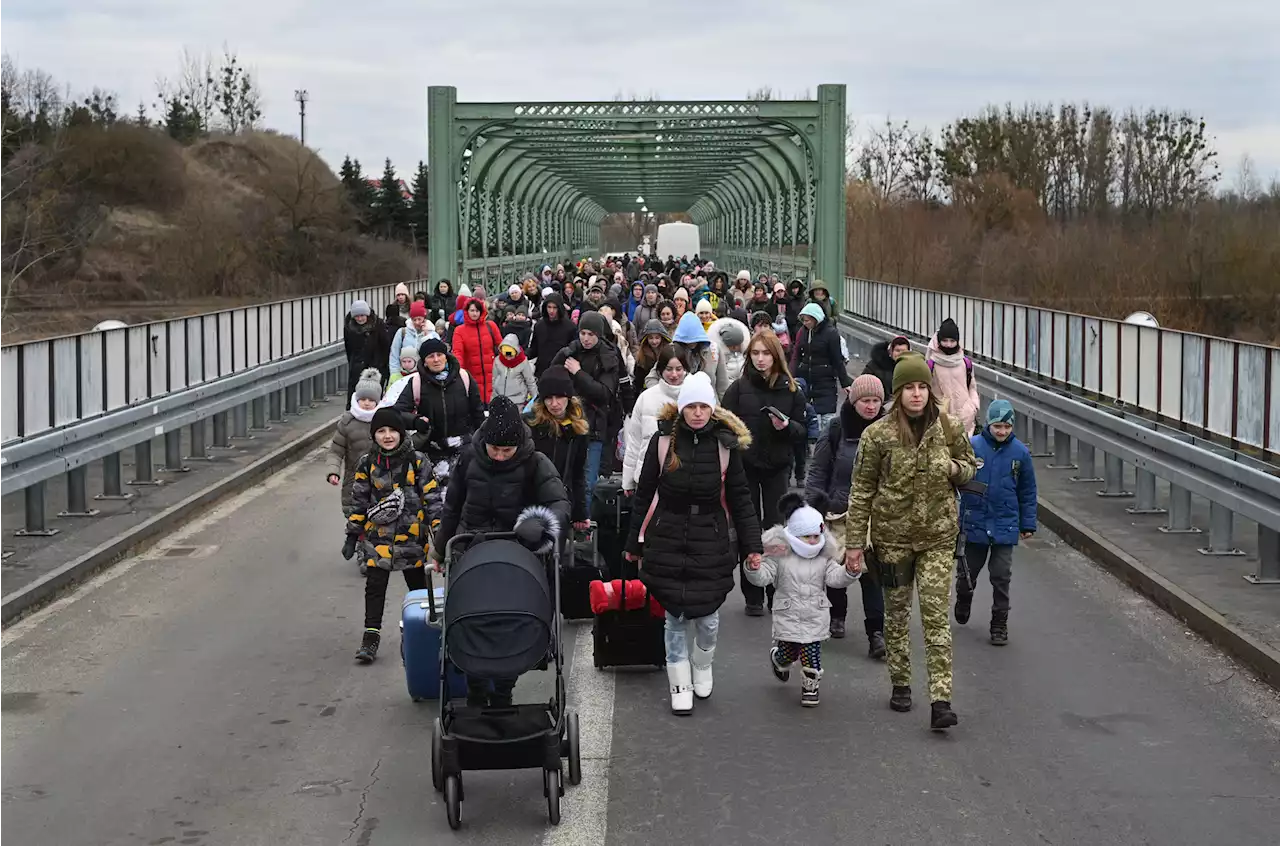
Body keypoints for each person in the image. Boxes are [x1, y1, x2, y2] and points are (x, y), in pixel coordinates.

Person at [845, 353, 976, 730]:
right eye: (909, 388)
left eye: (922, 387)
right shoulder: (878, 435)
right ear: (898, 393)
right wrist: (855, 543)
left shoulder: (948, 428)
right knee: (897, 616)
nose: (917, 395)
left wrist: (952, 468)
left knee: (936, 618)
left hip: (937, 536)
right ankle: (901, 682)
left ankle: (941, 699)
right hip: (892, 539)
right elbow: (862, 490)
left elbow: (969, 467)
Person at [624, 372, 763, 715]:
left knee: (709, 615)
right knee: (673, 615)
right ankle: (679, 680)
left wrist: (752, 546)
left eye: (704, 406)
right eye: (692, 406)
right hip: (668, 534)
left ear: (712, 409)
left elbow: (741, 497)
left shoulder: (724, 444)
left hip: (710, 536)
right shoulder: (662, 441)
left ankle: (702, 663)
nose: (698, 413)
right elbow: (644, 495)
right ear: (682, 408)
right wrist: (633, 543)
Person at [431, 396, 571, 706]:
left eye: (507, 451)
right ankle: (476, 688)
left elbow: (559, 504)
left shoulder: (536, 463)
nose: (499, 456)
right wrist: (440, 550)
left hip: (517, 554)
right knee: (472, 620)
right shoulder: (468, 458)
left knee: (510, 623)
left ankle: (504, 690)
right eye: (495, 450)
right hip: (471, 551)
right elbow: (452, 507)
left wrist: (539, 523)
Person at [344, 407, 441, 664]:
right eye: (381, 431)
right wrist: (353, 535)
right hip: (378, 540)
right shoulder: (367, 463)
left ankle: (426, 632)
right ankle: (370, 636)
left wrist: (440, 538)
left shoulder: (417, 461)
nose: (387, 436)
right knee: (375, 586)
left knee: (418, 590)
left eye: (392, 431)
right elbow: (359, 502)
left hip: (411, 538)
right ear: (374, 435)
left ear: (401, 433)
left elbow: (432, 501)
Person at [721, 330, 807, 616]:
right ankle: (753, 594)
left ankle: (776, 590)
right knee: (749, 528)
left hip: (777, 468)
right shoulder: (738, 389)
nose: (760, 359)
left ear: (775, 356)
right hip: (745, 468)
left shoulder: (791, 390)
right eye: (755, 353)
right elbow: (723, 425)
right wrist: (734, 442)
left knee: (775, 531)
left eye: (765, 354)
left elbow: (803, 432)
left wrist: (787, 428)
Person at [746, 492, 861, 707]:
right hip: (788, 615)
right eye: (807, 537)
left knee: (811, 653)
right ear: (795, 535)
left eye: (816, 536)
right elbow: (763, 577)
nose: (812, 541)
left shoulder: (824, 556)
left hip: (814, 615)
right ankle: (778, 659)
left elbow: (835, 578)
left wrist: (849, 572)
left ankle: (811, 686)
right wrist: (754, 568)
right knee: (789, 653)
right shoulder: (779, 555)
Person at [806, 373, 887, 657]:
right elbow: (818, 472)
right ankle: (837, 614)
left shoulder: (890, 430)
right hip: (837, 512)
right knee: (838, 568)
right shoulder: (836, 429)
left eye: (876, 400)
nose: (871, 406)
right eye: (865, 400)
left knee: (871, 574)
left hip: (876, 515)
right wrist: (813, 510)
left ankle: (877, 633)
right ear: (854, 402)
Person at [956, 399, 1037, 646]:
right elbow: (958, 479)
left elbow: (1027, 490)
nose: (1002, 432)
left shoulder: (1020, 453)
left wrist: (1027, 523)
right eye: (997, 426)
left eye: (1006, 427)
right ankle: (964, 597)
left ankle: (999, 623)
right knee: (967, 573)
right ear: (988, 424)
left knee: (1001, 576)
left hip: (1005, 525)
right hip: (975, 523)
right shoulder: (972, 447)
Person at [550, 312, 621, 498]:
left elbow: (603, 393)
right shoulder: (572, 350)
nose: (586, 339)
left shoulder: (608, 356)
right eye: (583, 333)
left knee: (588, 482)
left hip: (594, 424)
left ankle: (585, 522)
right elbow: (550, 376)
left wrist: (578, 372)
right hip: (568, 422)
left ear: (599, 335)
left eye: (591, 334)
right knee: (562, 478)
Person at [392, 337, 485, 470]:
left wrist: (481, 442)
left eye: (440, 355)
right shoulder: (416, 383)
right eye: (431, 356)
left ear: (446, 357)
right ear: (424, 361)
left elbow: (478, 413)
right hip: (431, 451)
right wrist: (416, 421)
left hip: (465, 449)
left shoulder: (464, 378)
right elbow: (397, 413)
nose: (436, 359)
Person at [326, 368, 382, 574]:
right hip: (353, 480)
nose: (366, 403)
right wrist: (333, 471)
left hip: (380, 480)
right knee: (356, 516)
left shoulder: (383, 421)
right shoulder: (347, 422)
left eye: (371, 400)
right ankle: (361, 548)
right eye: (363, 399)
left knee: (377, 515)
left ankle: (373, 549)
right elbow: (335, 450)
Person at [526, 366, 591, 531]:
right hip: (532, 502)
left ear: (568, 397)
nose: (554, 404)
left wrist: (580, 513)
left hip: (562, 502)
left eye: (559, 397)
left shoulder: (578, 429)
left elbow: (578, 474)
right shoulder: (530, 426)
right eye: (549, 398)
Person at [622, 345, 689, 494]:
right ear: (660, 370)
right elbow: (634, 441)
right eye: (669, 369)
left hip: (684, 480)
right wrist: (628, 480)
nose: (674, 374)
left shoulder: (695, 398)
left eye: (678, 369)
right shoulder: (646, 398)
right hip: (648, 478)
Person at [789, 302, 852, 433]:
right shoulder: (803, 332)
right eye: (803, 320)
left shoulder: (831, 333)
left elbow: (837, 359)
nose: (805, 323)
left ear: (815, 318)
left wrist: (845, 382)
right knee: (812, 419)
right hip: (807, 380)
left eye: (807, 320)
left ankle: (827, 446)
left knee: (827, 420)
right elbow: (797, 355)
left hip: (826, 380)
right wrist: (791, 375)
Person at [927, 318, 980, 434]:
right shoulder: (931, 364)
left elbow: (972, 387)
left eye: (952, 340)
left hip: (966, 422)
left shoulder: (966, 363)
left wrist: (973, 407)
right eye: (945, 340)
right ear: (939, 341)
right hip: (940, 421)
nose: (949, 345)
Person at [451, 297, 503, 404]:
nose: (475, 313)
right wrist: (458, 370)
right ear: (467, 311)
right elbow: (457, 352)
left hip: (492, 373)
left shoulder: (491, 326)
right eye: (472, 310)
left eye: (477, 310)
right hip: (471, 374)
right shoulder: (459, 330)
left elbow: (501, 346)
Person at [343, 300, 390, 398]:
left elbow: (385, 345)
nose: (359, 319)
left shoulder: (378, 324)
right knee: (356, 395)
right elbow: (349, 348)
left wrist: (382, 364)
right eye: (357, 316)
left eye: (362, 315)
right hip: (357, 366)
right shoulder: (349, 328)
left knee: (374, 396)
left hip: (375, 366)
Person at [527, 292, 577, 378]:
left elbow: (573, 352)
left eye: (554, 308)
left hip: (561, 373)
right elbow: (534, 349)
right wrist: (523, 354)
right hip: (542, 371)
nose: (551, 311)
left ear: (560, 308)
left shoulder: (570, 327)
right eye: (549, 307)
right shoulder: (539, 325)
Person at [389, 301, 434, 381]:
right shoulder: (402, 332)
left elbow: (434, 352)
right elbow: (394, 354)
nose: (417, 322)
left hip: (425, 376)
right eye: (414, 320)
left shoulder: (432, 333)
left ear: (424, 318)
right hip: (404, 375)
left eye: (419, 319)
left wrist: (427, 335)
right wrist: (395, 374)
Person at [491, 333, 537, 407]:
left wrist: (536, 400)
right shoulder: (497, 361)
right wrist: (492, 399)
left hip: (518, 401)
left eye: (510, 355)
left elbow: (530, 381)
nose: (508, 358)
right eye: (506, 355)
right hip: (500, 400)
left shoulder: (523, 362)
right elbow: (494, 380)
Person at [863, 335, 911, 401]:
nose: (900, 354)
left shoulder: (912, 368)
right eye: (897, 350)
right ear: (891, 352)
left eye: (904, 351)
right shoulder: (874, 365)